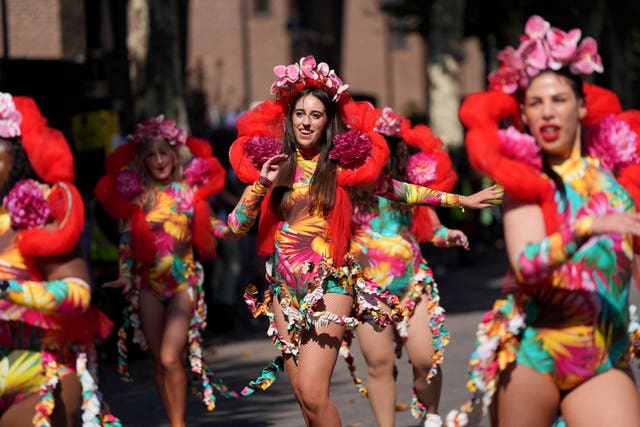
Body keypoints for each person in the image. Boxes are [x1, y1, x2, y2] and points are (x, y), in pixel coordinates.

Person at [226, 56, 502, 427]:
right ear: (290, 119)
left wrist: (459, 201)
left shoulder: (338, 168)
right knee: (304, 401)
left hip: (331, 285)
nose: (307, 121)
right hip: (283, 289)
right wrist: (262, 183)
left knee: (313, 391)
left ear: (328, 123)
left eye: (316, 115)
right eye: (300, 114)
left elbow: (397, 190)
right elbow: (237, 225)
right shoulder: (276, 166)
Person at [447, 15, 640, 427]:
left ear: (582, 105)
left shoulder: (619, 183)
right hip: (536, 355)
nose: (548, 112)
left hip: (602, 356)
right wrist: (587, 227)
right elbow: (527, 264)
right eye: (536, 103)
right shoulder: (528, 183)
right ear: (525, 116)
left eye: (559, 99)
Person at [344, 107, 492, 427]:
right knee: (379, 364)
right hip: (367, 288)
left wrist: (447, 235)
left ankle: (432, 418)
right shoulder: (348, 185)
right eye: (373, 141)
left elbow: (430, 226)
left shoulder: (407, 184)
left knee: (426, 359)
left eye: (387, 142)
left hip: (412, 283)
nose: (379, 148)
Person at [94, 116, 234, 427]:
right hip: (147, 284)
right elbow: (127, 243)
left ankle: (179, 423)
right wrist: (124, 274)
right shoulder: (138, 196)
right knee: (159, 363)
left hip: (183, 282)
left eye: (164, 153)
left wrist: (241, 221)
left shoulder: (188, 191)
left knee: (172, 357)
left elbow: (217, 228)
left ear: (175, 155)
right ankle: (175, 422)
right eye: (151, 155)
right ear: (143, 160)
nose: (159, 161)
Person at [0, 93, 120, 427]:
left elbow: (78, 293)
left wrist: (6, 289)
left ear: (16, 163)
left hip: (40, 373)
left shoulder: (38, 214)